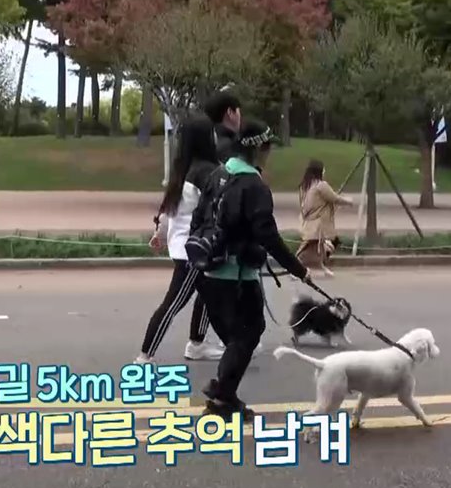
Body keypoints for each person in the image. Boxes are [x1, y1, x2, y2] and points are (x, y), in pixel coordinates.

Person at [197, 119, 310, 420]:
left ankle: (222, 390)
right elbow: (267, 235)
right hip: (237, 278)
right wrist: (299, 269)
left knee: (237, 337)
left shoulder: (217, 174)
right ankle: (223, 397)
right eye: (269, 146)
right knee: (248, 333)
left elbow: (198, 220)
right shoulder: (254, 186)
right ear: (261, 149)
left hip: (207, 274)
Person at [136, 115, 227, 364]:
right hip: (194, 252)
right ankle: (145, 356)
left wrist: (160, 234)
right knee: (173, 303)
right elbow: (216, 210)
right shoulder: (208, 172)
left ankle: (197, 344)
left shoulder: (182, 170)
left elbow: (169, 209)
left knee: (209, 295)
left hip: (187, 247)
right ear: (207, 138)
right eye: (213, 133)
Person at [296, 160, 353, 278]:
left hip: (309, 222)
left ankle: (320, 267)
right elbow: (334, 198)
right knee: (310, 247)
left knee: (316, 247)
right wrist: (348, 201)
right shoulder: (321, 185)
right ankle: (295, 268)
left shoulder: (305, 186)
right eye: (323, 169)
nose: (325, 171)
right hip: (318, 225)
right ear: (319, 171)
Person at [202, 91, 242, 162]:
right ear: (230, 112)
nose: (240, 116)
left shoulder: (205, 145)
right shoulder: (233, 149)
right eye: (239, 111)